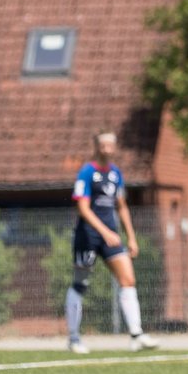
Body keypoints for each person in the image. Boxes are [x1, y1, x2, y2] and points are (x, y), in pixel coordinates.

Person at [66, 132, 158, 354]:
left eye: (111, 144)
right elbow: (83, 208)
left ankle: (136, 335)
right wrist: (104, 231)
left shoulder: (116, 173)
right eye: (104, 144)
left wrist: (131, 236)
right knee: (81, 283)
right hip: (87, 236)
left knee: (128, 279)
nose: (108, 148)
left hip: (112, 236)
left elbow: (122, 206)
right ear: (97, 147)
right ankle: (74, 338)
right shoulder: (87, 173)